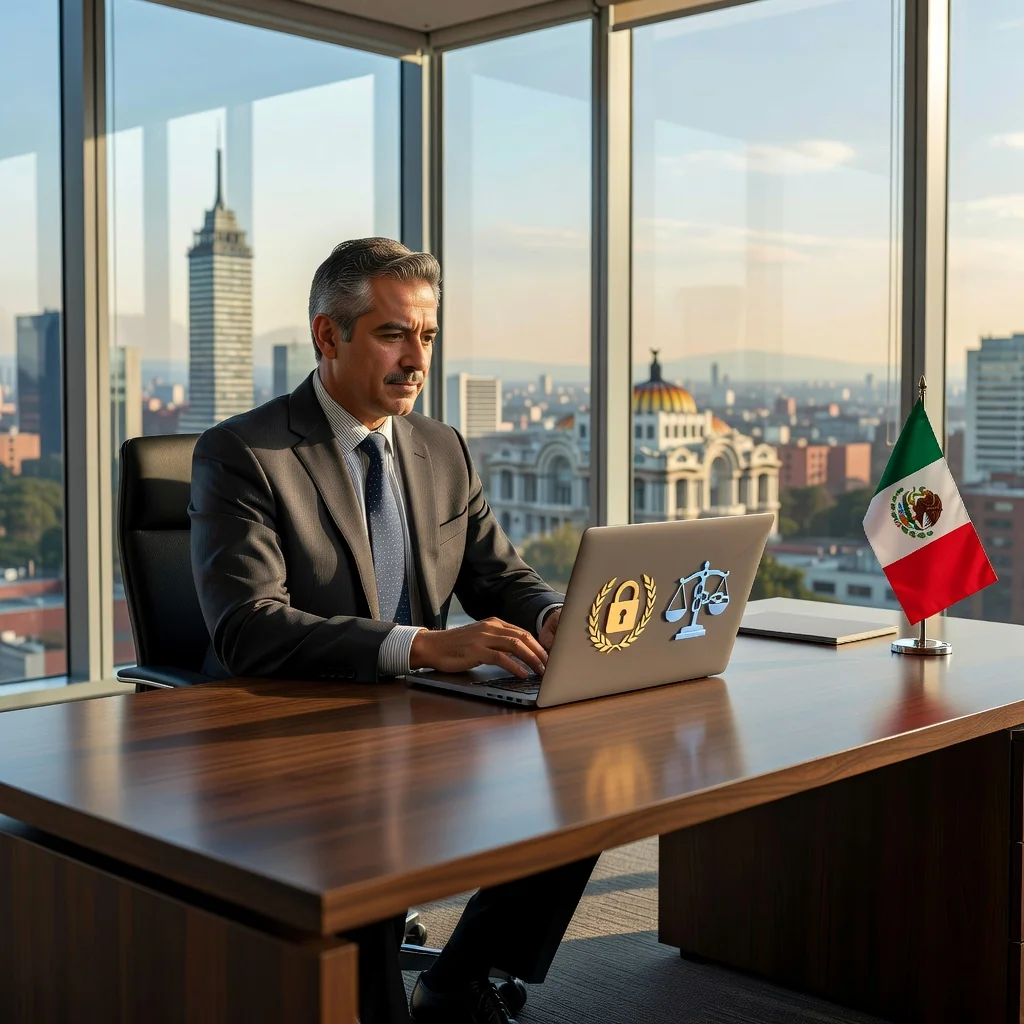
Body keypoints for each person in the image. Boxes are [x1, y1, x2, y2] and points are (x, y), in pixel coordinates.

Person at [189, 237, 597, 1024]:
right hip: (296, 726)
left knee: (588, 781)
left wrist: (552, 615)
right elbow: (246, 625)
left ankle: (455, 980)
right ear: (327, 335)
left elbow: (496, 575)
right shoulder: (244, 453)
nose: (418, 359)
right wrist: (421, 645)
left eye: (429, 336)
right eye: (392, 334)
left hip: (424, 715)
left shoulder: (441, 447)